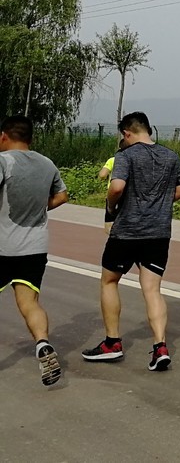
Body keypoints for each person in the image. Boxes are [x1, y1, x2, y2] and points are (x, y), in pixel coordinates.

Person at [82, 112, 180, 371]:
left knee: (109, 280)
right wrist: (160, 203)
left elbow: (117, 187)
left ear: (127, 133)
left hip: (127, 231)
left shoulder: (125, 156)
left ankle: (112, 343)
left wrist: (110, 204)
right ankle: (160, 347)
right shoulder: (171, 156)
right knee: (152, 289)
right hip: (159, 233)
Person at [0, 115, 68, 387]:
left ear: (4, 135)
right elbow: (62, 196)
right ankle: (42, 344)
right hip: (35, 249)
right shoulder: (47, 164)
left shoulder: (3, 161)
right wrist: (40, 207)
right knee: (29, 303)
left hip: (2, 247)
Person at [97, 137, 124, 234]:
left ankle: (111, 235)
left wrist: (101, 177)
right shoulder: (135, 160)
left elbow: (103, 174)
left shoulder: (113, 160)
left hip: (113, 192)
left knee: (109, 216)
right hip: (129, 194)